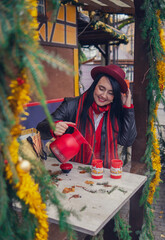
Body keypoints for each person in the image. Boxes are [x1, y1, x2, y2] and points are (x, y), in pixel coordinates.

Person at [37, 64, 137, 168]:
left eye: (110, 93)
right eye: (101, 88)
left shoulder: (117, 112)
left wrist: (128, 108)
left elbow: (127, 141)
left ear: (115, 96)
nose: (103, 95)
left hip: (106, 173)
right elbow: (40, 130)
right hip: (75, 171)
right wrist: (53, 127)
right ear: (94, 86)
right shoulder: (71, 105)